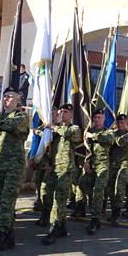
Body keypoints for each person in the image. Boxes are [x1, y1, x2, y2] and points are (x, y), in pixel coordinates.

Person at [0, 87, 29, 256]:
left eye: (10, 97)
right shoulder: (0, 116)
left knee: (6, 201)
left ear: (18, 100)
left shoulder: (21, 117)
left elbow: (12, 126)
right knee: (2, 202)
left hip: (14, 166)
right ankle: (9, 237)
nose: (6, 100)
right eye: (4, 97)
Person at [41, 103, 81, 245]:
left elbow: (72, 136)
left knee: (59, 199)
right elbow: (46, 145)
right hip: (53, 169)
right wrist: (46, 162)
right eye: (61, 111)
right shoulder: (53, 131)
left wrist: (54, 127)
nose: (62, 114)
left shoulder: (74, 128)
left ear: (71, 115)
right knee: (47, 195)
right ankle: (62, 225)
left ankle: (53, 229)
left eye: (66, 112)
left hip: (66, 169)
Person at [77, 109, 114, 234]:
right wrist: (85, 163)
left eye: (99, 117)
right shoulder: (88, 131)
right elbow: (84, 149)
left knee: (98, 190)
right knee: (81, 184)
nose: (97, 119)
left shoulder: (108, 131)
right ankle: (85, 207)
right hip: (90, 165)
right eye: (95, 117)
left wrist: (93, 136)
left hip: (102, 165)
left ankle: (95, 219)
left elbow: (109, 139)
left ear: (104, 118)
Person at [106, 114, 128, 225]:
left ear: (126, 122)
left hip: (124, 164)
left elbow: (119, 142)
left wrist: (111, 134)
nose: (120, 125)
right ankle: (114, 211)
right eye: (118, 122)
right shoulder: (114, 133)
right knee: (110, 189)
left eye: (122, 122)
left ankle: (116, 214)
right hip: (113, 164)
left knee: (119, 187)